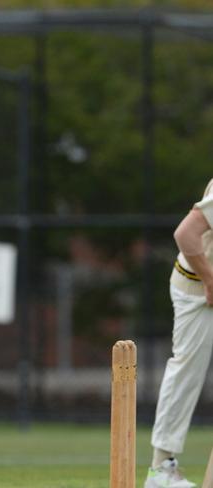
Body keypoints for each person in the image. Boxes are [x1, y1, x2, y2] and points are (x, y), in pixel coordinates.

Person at [145, 178, 213, 488]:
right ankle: (161, 469)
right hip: (196, 287)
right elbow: (185, 233)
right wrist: (211, 281)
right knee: (187, 370)